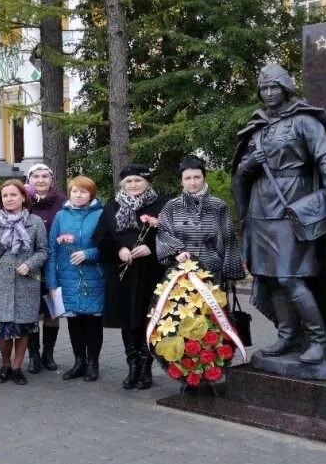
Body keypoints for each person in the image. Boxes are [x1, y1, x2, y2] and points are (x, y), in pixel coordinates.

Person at [232, 63, 326, 365]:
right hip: (261, 209)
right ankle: (287, 335)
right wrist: (250, 163)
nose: (270, 92)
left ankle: (318, 338)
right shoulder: (257, 125)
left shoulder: (305, 121)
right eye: (264, 87)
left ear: (286, 88)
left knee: (290, 277)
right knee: (270, 278)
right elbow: (240, 172)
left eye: (275, 86)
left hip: (294, 206)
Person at [94, 164, 167, 390]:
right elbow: (100, 237)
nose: (133, 185)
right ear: (122, 184)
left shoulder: (162, 205)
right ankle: (132, 366)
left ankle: (146, 367)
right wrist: (118, 250)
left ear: (147, 182)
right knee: (128, 320)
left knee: (148, 319)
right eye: (128, 182)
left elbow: (173, 235)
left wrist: (152, 248)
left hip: (151, 272)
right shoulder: (112, 206)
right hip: (122, 273)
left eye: (138, 180)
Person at [0, 180, 49, 385]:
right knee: (4, 329)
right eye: (5, 196)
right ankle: (6, 365)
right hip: (0, 283)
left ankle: (18, 367)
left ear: (23, 198)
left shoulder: (34, 222)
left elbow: (43, 250)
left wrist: (30, 264)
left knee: (23, 328)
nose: (8, 199)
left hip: (27, 283)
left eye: (13, 195)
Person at [45, 176, 105, 382]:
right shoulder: (61, 216)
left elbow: (108, 247)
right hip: (67, 278)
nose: (78, 195)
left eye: (83, 191)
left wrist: (89, 254)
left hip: (93, 278)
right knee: (74, 323)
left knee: (92, 323)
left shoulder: (100, 215)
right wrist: (52, 283)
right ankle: (79, 361)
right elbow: (52, 251)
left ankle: (93, 363)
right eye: (74, 191)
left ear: (91, 195)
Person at [157, 156, 245, 287]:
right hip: (181, 272)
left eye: (197, 177)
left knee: (214, 307)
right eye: (187, 178)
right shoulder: (172, 206)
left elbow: (229, 240)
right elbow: (162, 233)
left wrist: (231, 274)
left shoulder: (218, 206)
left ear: (204, 178)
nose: (193, 182)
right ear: (181, 181)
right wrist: (177, 251)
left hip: (212, 271)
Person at [25, 163, 67, 373]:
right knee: (31, 311)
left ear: (51, 179)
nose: (40, 180)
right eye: (36, 176)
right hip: (28, 266)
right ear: (29, 179)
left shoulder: (62, 202)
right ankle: (33, 354)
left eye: (45, 176)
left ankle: (48, 354)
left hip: (55, 265)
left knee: (53, 311)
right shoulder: (24, 201)